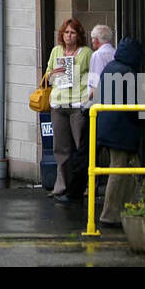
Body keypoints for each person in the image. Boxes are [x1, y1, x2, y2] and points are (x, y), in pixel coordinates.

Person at [96, 36, 143, 227]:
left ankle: (128, 209)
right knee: (120, 170)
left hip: (105, 126)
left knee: (126, 169)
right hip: (121, 130)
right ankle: (111, 214)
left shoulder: (109, 67)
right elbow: (132, 107)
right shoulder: (129, 72)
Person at [45, 18, 91, 203]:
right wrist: (53, 74)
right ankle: (61, 186)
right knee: (61, 148)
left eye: (72, 33)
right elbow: (47, 75)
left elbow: (93, 75)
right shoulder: (56, 51)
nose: (68, 36)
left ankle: (87, 185)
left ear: (78, 35)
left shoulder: (86, 53)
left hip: (77, 104)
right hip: (58, 103)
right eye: (66, 32)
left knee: (82, 147)